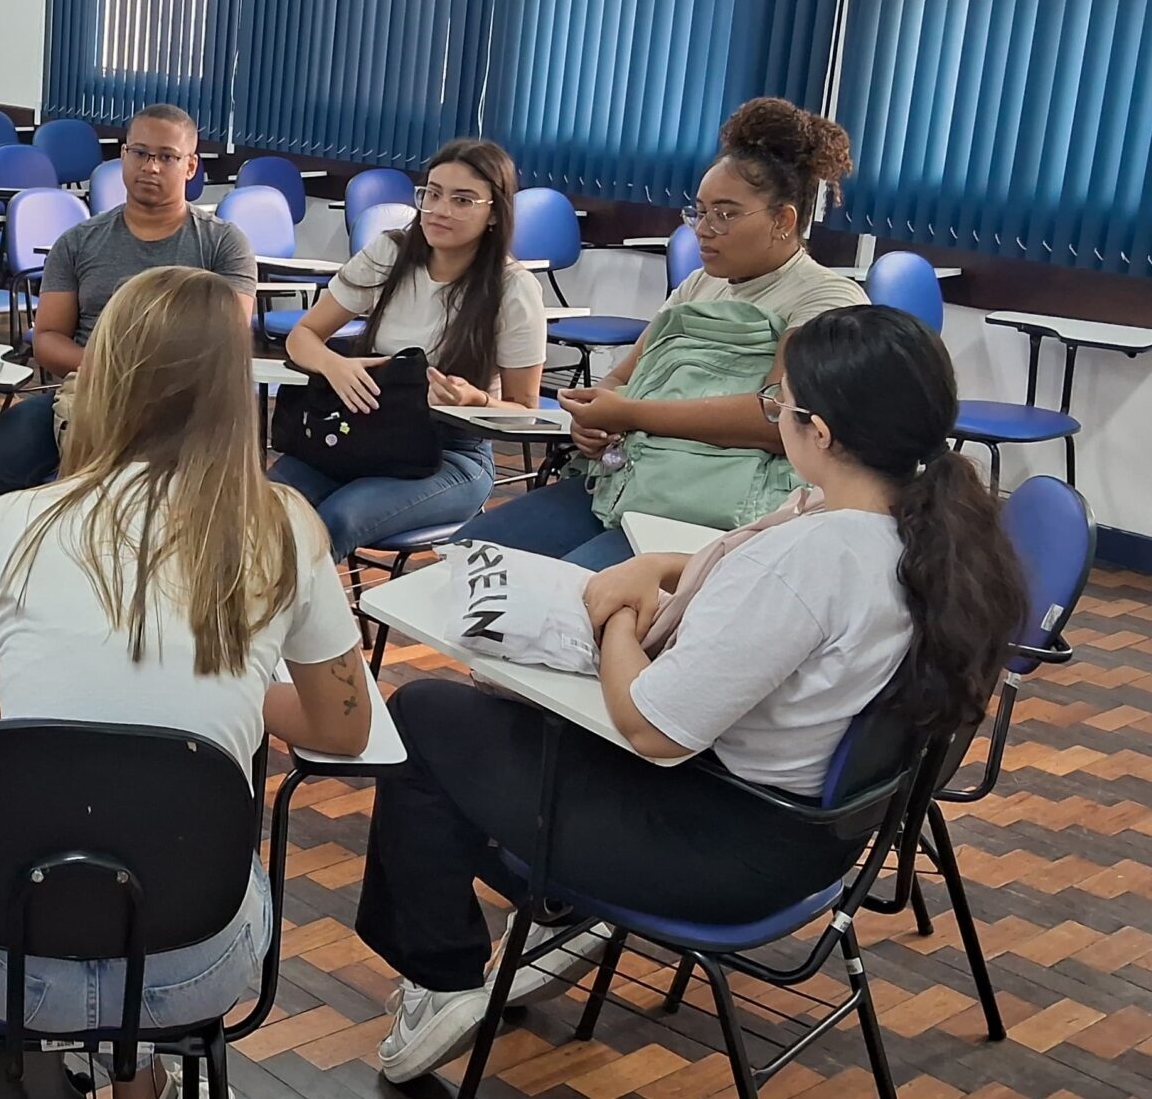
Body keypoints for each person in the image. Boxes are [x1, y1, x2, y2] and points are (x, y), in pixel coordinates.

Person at [360, 305, 1028, 1083]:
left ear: (824, 432)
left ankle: (442, 979)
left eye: (780, 404)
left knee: (423, 718)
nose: (773, 415)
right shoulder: (923, 527)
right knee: (503, 713)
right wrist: (658, 571)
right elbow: (754, 574)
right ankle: (551, 914)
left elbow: (651, 729)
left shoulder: (819, 559)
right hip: (808, 834)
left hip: (722, 849)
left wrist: (616, 618)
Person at [0, 268, 370, 1099]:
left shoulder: (6, 523)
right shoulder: (285, 527)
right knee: (193, 840)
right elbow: (344, 730)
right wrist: (232, 689)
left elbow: (37, 695)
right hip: (196, 963)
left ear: (102, 371)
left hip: (5, 962)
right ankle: (136, 1070)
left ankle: (98, 1065)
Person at [461, 98, 866, 569]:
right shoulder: (701, 283)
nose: (704, 231)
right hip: (635, 476)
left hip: (715, 503)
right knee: (471, 556)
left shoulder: (825, 299)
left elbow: (777, 419)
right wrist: (594, 419)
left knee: (574, 594)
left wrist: (631, 413)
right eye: (699, 212)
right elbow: (621, 379)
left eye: (726, 214)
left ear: (783, 220)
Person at [0, 104, 256, 671]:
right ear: (123, 157)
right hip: (86, 391)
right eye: (140, 152)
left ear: (190, 167)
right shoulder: (79, 241)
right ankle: (1, 618)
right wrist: (111, 368)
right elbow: (47, 340)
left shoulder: (222, 245)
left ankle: (128, 620)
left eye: (167, 156)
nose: (150, 166)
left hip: (181, 404)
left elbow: (228, 337)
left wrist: (149, 375)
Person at [269, 138, 546, 561]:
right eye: (432, 194)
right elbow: (302, 336)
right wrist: (334, 366)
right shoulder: (391, 252)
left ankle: (292, 622)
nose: (440, 210)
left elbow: (526, 412)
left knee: (337, 518)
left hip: (450, 453)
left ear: (494, 212)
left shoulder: (513, 288)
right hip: (362, 434)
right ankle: (232, 621)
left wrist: (478, 400)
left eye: (463, 200)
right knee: (263, 508)